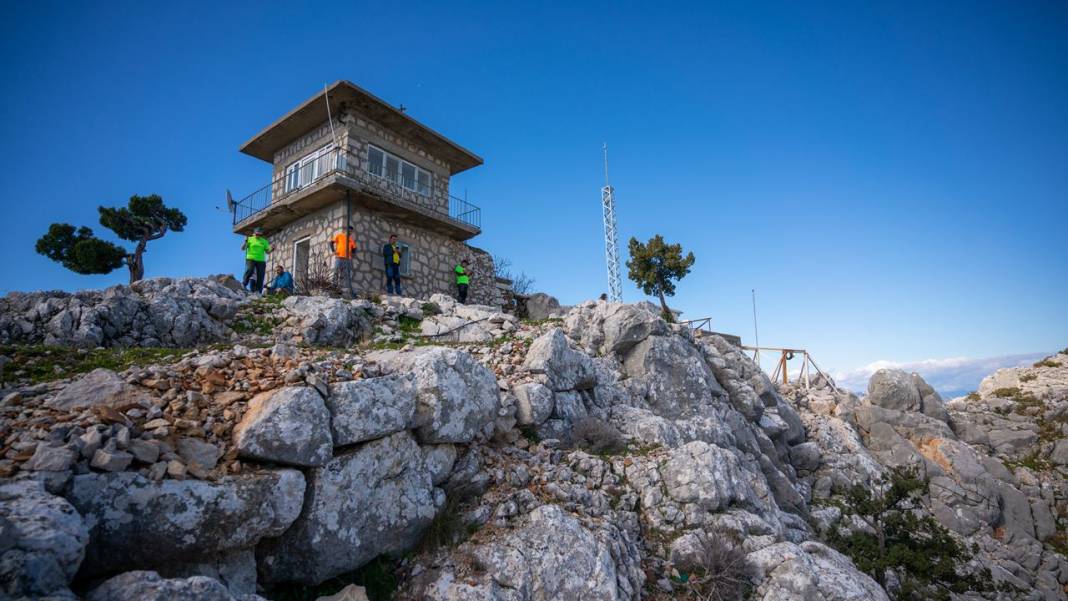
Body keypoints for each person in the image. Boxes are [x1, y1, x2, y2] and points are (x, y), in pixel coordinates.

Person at [328, 225, 357, 297]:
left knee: (345, 273)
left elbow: (354, 248)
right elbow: (331, 242)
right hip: (339, 257)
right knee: (336, 271)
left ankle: (342, 287)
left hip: (347, 259)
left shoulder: (351, 240)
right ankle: (334, 286)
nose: (350, 232)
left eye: (351, 231)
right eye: (349, 231)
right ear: (346, 230)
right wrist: (333, 251)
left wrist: (352, 253)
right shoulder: (339, 235)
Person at [241, 227, 271, 293]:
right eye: (257, 234)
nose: (258, 235)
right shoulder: (249, 239)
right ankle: (243, 284)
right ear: (254, 233)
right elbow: (242, 248)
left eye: (260, 234)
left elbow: (267, 252)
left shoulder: (264, 241)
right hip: (251, 258)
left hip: (261, 260)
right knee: (250, 270)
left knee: (261, 275)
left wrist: (272, 249)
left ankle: (258, 290)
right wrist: (245, 241)